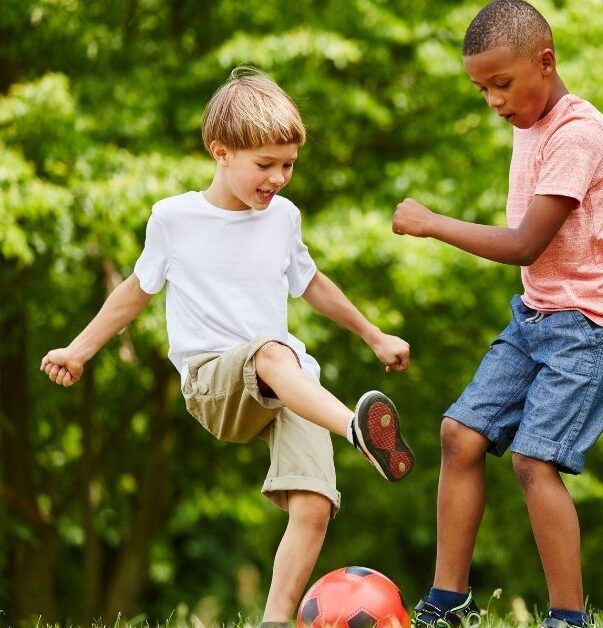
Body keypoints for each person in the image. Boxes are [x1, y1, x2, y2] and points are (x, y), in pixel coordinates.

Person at [39, 67, 416, 625]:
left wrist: (373, 334)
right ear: (221, 152)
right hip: (215, 382)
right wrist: (78, 349)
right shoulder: (175, 219)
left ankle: (274, 621)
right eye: (265, 165)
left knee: (314, 505)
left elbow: (311, 283)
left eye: (288, 164)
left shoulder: (284, 218)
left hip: (290, 382)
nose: (279, 178)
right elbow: (135, 292)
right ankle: (358, 431)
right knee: (270, 351)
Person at [393, 1, 603, 626]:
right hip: (536, 315)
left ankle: (567, 617)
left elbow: (524, 244)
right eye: (481, 89)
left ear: (546, 62)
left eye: (501, 84)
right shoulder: (528, 121)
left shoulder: (575, 135)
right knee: (460, 435)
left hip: (592, 324)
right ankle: (448, 602)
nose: (494, 102)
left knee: (535, 462)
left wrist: (431, 225)